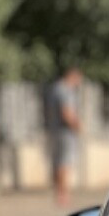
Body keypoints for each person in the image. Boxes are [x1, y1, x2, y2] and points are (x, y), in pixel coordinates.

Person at [46, 66, 83, 206]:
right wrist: (78, 126)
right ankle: (63, 195)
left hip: (55, 131)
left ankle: (59, 192)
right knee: (64, 163)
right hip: (65, 132)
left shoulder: (55, 89)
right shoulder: (65, 90)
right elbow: (66, 112)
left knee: (57, 162)